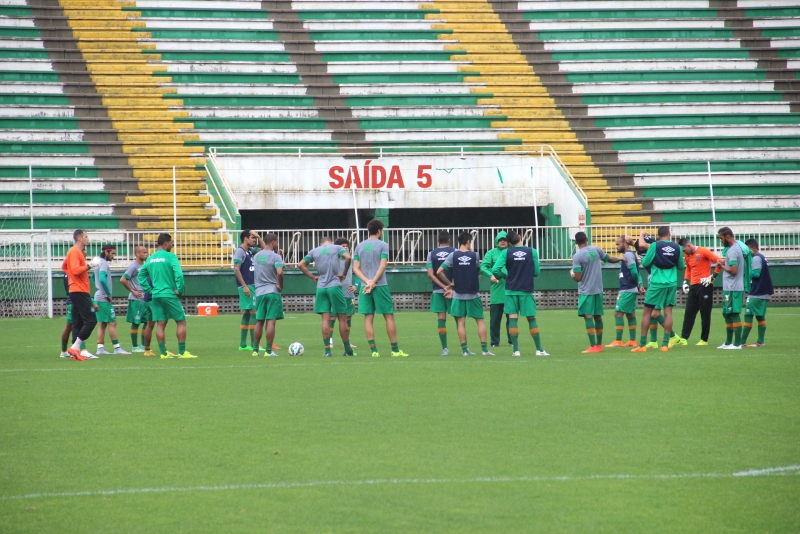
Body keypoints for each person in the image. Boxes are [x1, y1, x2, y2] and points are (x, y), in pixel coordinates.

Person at [353, 219, 408, 358]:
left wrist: (367, 282)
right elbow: (382, 266)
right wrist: (373, 282)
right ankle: (395, 350)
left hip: (365, 287)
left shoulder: (359, 246)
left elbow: (355, 268)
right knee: (389, 316)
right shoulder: (383, 245)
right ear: (379, 231)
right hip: (380, 285)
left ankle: (374, 351)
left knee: (368, 317)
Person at [139, 233, 197, 359]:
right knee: (181, 321)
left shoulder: (150, 259)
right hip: (169, 294)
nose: (172, 245)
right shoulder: (171, 257)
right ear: (165, 243)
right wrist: (180, 289)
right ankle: (182, 352)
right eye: (171, 242)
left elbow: (141, 276)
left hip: (155, 295)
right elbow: (179, 275)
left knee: (160, 323)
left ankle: (163, 353)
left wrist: (149, 289)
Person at [492, 230, 549, 357]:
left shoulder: (506, 252)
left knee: (512, 318)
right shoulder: (532, 251)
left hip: (511, 290)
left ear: (509, 242)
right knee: (531, 318)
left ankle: (516, 350)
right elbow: (537, 272)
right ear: (520, 237)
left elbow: (495, 269)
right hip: (526, 290)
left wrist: (505, 275)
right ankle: (539, 349)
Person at [437, 232, 493, 356]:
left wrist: (449, 284)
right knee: (480, 321)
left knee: (461, 322)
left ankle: (464, 350)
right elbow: (478, 272)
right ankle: (484, 350)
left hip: (458, 293)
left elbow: (439, 271)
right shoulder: (475, 255)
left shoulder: (453, 255)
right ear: (468, 242)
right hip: (473, 292)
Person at [298, 236, 355, 357]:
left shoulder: (314, 251)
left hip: (321, 287)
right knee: (342, 318)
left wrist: (312, 277)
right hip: (335, 285)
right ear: (331, 242)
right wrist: (344, 273)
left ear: (321, 243)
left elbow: (301, 264)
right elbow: (348, 257)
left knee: (325, 319)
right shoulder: (337, 248)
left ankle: (327, 351)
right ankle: (347, 349)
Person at [632, 226, 684, 353]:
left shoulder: (655, 246)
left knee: (647, 312)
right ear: (669, 234)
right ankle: (665, 345)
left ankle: (643, 345)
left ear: (659, 235)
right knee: (668, 312)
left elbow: (645, 263)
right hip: (671, 283)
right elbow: (681, 266)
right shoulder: (677, 247)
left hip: (657, 283)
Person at [570, 231, 621, 354]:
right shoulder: (596, 249)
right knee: (598, 316)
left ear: (576, 242)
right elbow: (610, 259)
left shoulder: (577, 256)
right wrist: (621, 259)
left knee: (588, 316)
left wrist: (571, 273)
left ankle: (593, 346)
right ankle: (599, 345)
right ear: (586, 239)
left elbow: (578, 277)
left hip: (586, 291)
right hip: (598, 290)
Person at [670, 238, 720, 347]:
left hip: (705, 285)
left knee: (705, 313)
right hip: (693, 286)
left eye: (684, 250)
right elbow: (688, 268)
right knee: (689, 311)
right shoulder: (687, 256)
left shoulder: (703, 251)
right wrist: (685, 281)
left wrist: (713, 277)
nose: (684, 253)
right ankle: (684, 338)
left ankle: (704, 339)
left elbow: (719, 261)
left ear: (688, 245)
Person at [62, 229, 100, 360]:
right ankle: (75, 347)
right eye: (86, 236)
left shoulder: (76, 253)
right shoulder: (74, 251)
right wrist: (90, 265)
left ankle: (75, 351)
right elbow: (75, 270)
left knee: (77, 321)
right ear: (79, 239)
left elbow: (64, 266)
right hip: (79, 290)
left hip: (78, 289)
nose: (88, 239)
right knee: (91, 319)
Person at [711, 227, 752, 349]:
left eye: (721, 238)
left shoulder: (733, 251)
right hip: (729, 287)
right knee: (726, 313)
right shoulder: (732, 249)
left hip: (734, 287)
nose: (721, 241)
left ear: (727, 236)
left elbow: (734, 270)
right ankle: (728, 342)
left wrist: (722, 266)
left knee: (733, 313)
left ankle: (737, 343)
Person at [606, 236, 643, 348]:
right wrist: (639, 284)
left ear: (625, 244)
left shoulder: (627, 255)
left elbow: (635, 272)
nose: (617, 246)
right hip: (631, 288)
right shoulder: (630, 254)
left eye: (618, 244)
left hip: (627, 289)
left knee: (618, 313)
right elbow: (637, 271)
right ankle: (632, 340)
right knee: (630, 314)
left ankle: (618, 341)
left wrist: (637, 283)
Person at [93, 244, 130, 355]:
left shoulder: (97, 262)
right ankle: (117, 348)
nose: (113, 256)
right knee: (112, 323)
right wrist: (108, 294)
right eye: (112, 253)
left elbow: (92, 278)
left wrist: (98, 288)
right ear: (106, 252)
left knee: (103, 323)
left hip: (98, 296)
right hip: (104, 298)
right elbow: (102, 278)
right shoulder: (103, 263)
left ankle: (100, 349)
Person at [233, 230, 266, 351]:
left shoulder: (250, 251)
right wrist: (244, 286)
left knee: (247, 312)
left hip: (251, 285)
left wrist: (259, 236)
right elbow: (236, 269)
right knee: (253, 311)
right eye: (252, 238)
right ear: (245, 238)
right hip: (247, 285)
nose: (254, 240)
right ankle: (253, 344)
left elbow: (265, 249)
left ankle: (243, 344)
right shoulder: (240, 251)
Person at [252, 233, 284, 357]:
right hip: (272, 291)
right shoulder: (276, 257)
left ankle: (255, 350)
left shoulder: (257, 256)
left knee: (259, 321)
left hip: (259, 292)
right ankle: (268, 351)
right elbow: (280, 272)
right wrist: (281, 285)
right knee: (271, 321)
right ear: (273, 242)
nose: (277, 244)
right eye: (276, 242)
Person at [480, 231, 511, 349]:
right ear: (496, 241)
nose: (502, 241)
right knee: (495, 320)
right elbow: (483, 267)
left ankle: (512, 340)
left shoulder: (512, 252)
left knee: (511, 318)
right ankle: (494, 341)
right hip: (497, 291)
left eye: (504, 239)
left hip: (510, 289)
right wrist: (491, 275)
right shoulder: (491, 253)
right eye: (500, 240)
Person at [426, 231, 455, 356]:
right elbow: (458, 271)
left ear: (438, 241)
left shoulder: (431, 253)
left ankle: (445, 348)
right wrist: (451, 286)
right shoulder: (455, 251)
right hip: (454, 291)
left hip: (438, 290)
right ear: (449, 240)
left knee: (441, 318)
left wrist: (443, 286)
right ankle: (465, 349)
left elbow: (430, 274)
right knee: (459, 319)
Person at [742, 238, 773, 347]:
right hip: (763, 292)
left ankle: (742, 342)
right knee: (760, 316)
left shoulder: (756, 258)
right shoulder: (762, 257)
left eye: (747, 250)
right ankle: (760, 342)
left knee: (748, 314)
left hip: (756, 292)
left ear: (753, 248)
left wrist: (745, 272)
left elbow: (756, 274)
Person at [329, 237, 358, 350]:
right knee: (332, 317)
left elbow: (359, 271)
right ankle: (330, 340)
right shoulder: (333, 260)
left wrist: (356, 285)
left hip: (348, 293)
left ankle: (346, 341)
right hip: (336, 292)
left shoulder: (350, 260)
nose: (345, 248)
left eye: (346, 246)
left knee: (348, 317)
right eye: (342, 246)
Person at [120, 246, 150, 353]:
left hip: (146, 298)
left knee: (147, 321)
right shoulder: (133, 266)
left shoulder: (146, 265)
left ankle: (143, 345)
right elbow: (123, 279)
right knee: (136, 323)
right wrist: (133, 291)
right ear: (137, 254)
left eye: (146, 252)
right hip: (136, 299)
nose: (146, 254)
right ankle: (134, 346)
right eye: (144, 252)